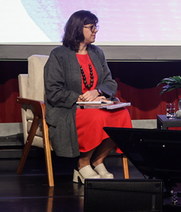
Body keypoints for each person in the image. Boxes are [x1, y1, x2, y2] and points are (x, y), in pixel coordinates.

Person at [44, 10, 132, 183]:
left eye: (95, 27)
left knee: (122, 115)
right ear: (78, 28)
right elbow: (53, 90)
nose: (95, 31)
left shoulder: (96, 53)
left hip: (97, 104)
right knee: (96, 117)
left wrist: (97, 92)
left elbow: (110, 82)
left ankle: (98, 160)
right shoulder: (59, 55)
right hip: (69, 108)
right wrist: (81, 98)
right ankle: (82, 164)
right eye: (91, 27)